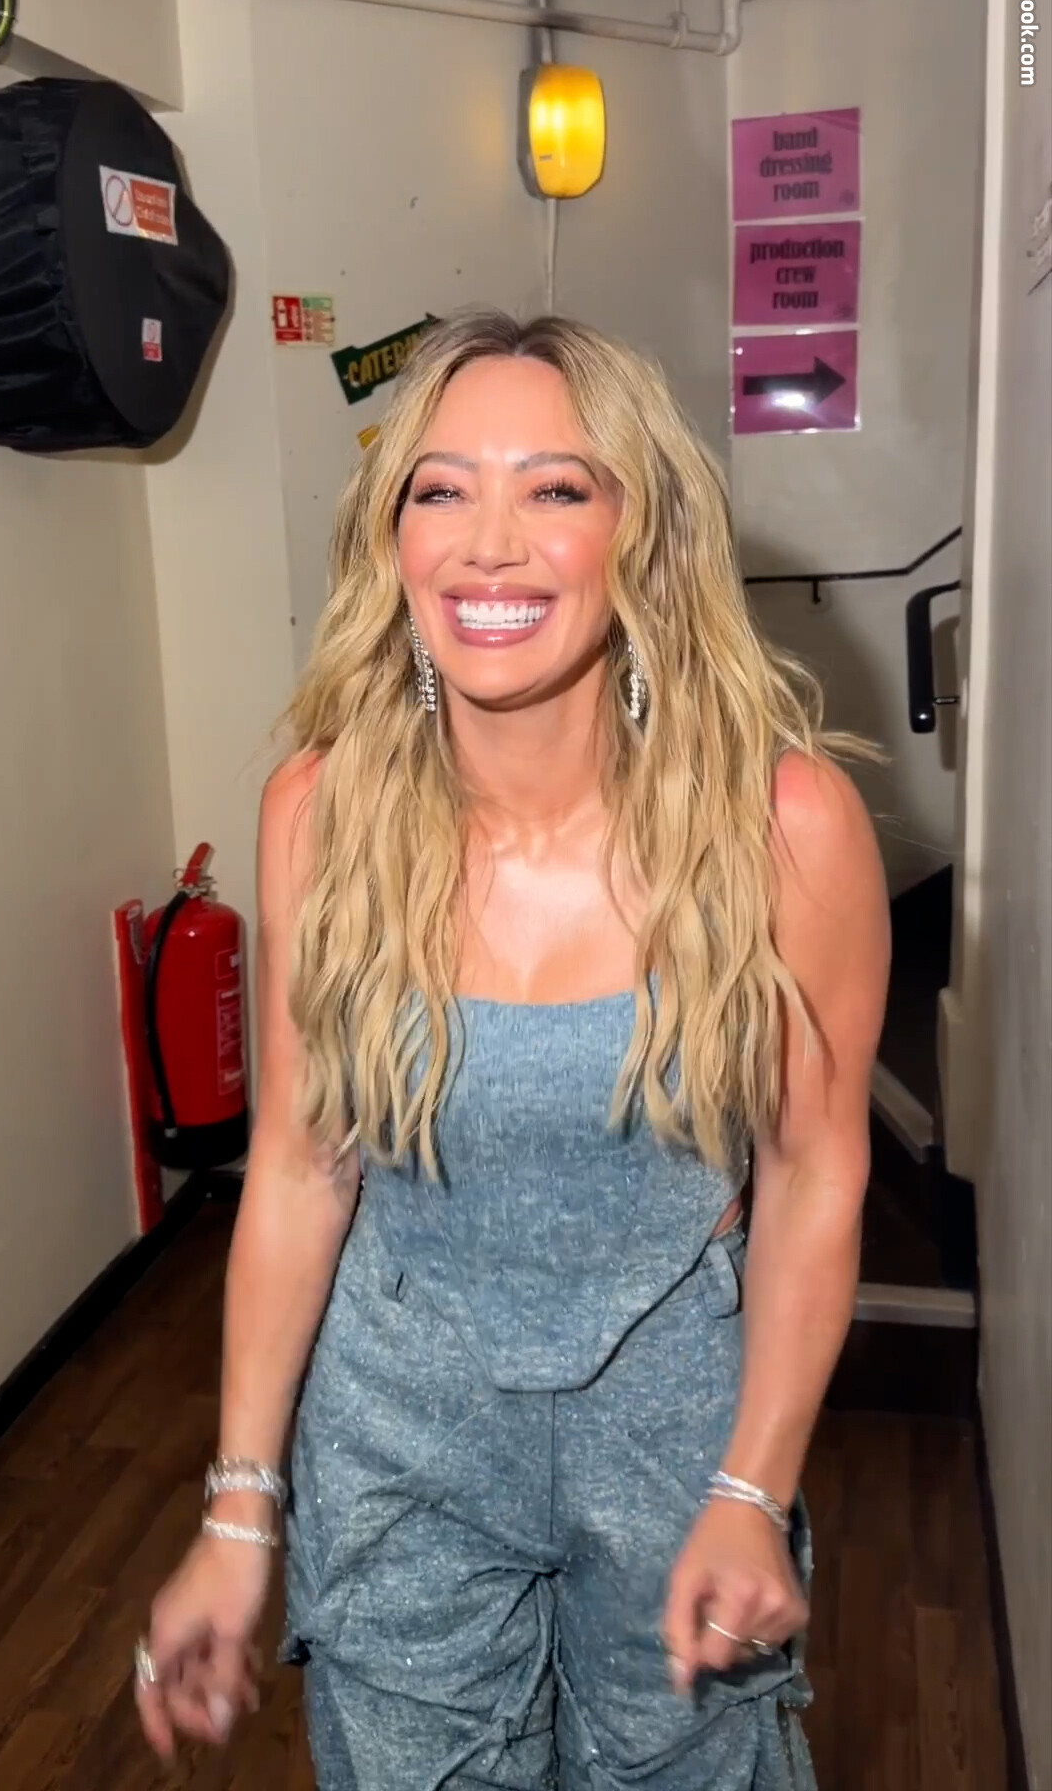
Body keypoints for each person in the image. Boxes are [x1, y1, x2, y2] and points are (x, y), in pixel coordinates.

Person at [134, 310, 889, 1788]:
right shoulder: (320, 814)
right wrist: (239, 1509)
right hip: (397, 1444)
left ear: (641, 533)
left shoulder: (781, 828)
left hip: (679, 1444)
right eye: (440, 490)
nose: (489, 543)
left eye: (554, 488)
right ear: (394, 539)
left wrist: (757, 1485)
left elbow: (814, 1174)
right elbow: (297, 1168)